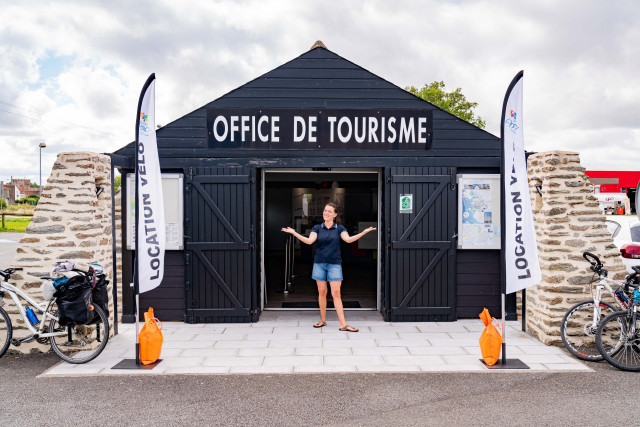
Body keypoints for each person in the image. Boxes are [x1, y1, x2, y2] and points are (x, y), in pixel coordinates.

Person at [281, 202, 376, 332]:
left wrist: (363, 233)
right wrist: (294, 233)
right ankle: (323, 320)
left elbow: (348, 240)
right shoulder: (317, 228)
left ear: (335, 214)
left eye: (329, 211)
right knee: (322, 292)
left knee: (336, 294)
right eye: (325, 210)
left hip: (334, 264)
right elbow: (309, 241)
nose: (326, 213)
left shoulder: (340, 228)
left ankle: (343, 324)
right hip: (319, 264)